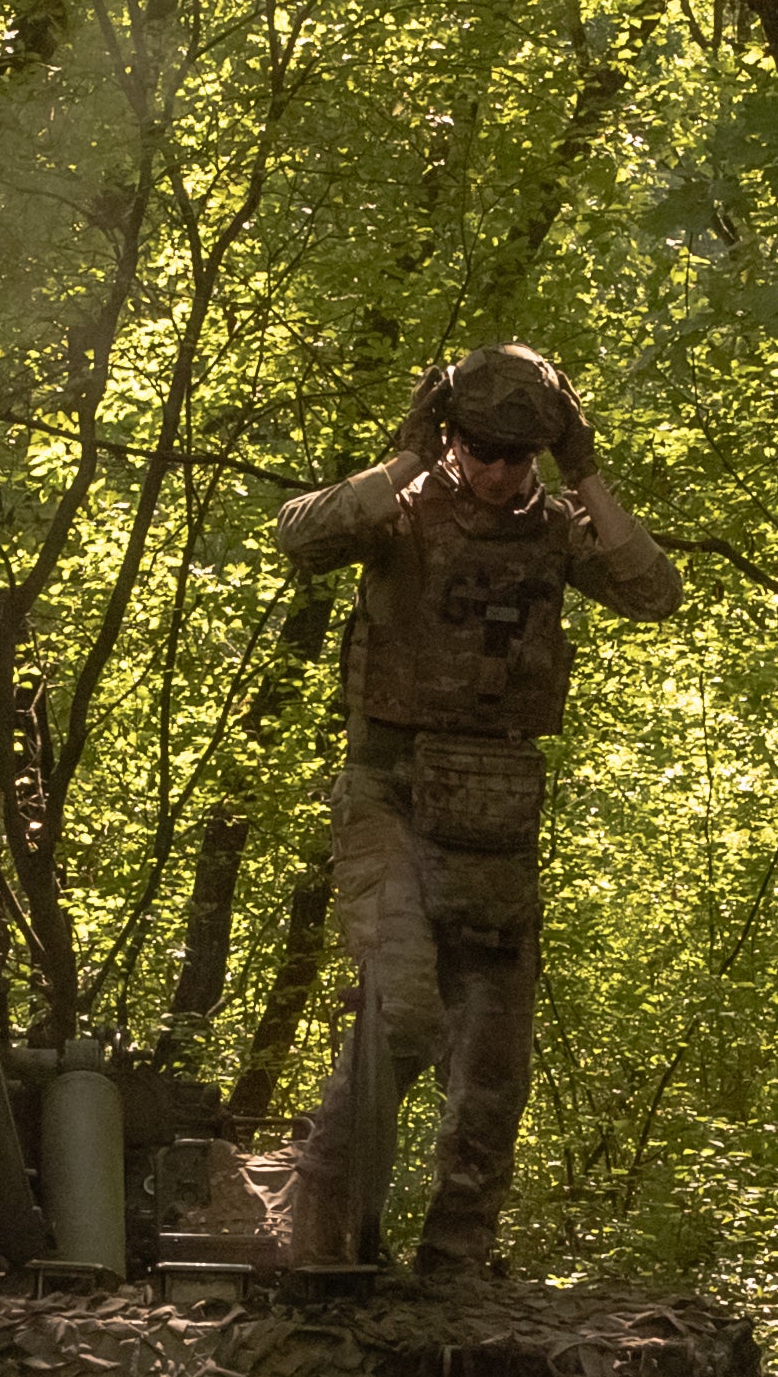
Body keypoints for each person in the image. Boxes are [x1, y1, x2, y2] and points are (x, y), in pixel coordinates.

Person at [270, 345, 679, 1273]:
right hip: (389, 795)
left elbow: (655, 594)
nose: (498, 473)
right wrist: (408, 458)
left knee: (493, 1065)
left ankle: (454, 1271)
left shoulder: (558, 527)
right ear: (451, 436)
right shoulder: (401, 513)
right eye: (482, 449)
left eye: (519, 455)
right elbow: (298, 535)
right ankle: (315, 1221)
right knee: (405, 1011)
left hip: (496, 816)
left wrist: (585, 471)